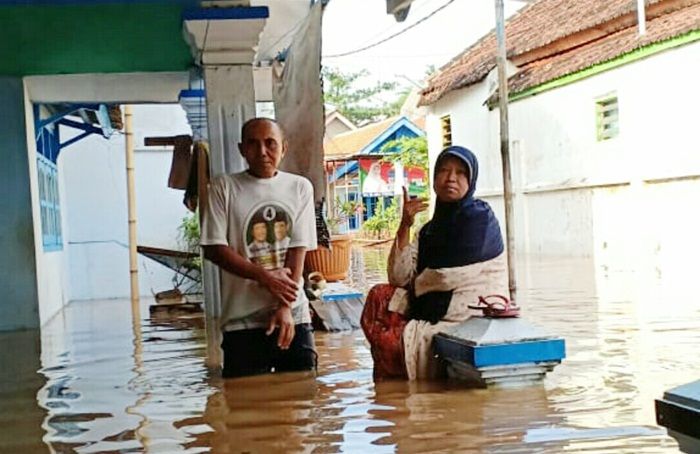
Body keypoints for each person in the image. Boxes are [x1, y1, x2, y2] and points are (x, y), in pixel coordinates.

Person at [361, 145, 509, 380]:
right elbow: (398, 277)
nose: (451, 178)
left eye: (461, 172)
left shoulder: (480, 219)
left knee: (391, 345)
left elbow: (445, 275)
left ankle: (401, 402)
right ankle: (393, 399)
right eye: (444, 170)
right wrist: (405, 225)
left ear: (471, 180)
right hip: (430, 309)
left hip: (467, 315)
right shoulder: (429, 230)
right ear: (434, 178)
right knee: (379, 296)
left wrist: (415, 289)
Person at [201, 117, 318, 378]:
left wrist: (285, 305)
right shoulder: (223, 187)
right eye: (253, 144)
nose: (262, 151)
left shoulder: (299, 188)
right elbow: (214, 248)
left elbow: (297, 249)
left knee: (301, 399)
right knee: (245, 407)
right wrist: (264, 276)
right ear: (242, 149)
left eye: (270, 143)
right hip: (241, 321)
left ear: (283, 148)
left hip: (292, 316)